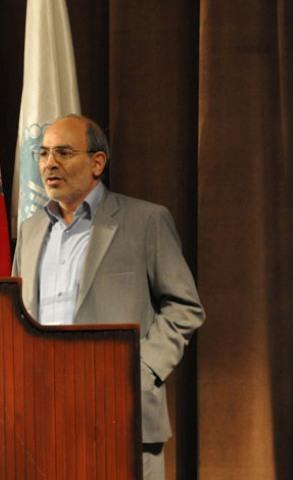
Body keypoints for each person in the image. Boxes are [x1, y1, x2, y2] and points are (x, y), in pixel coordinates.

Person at [12, 114, 205, 480]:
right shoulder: (31, 230)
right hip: (43, 413)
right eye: (44, 153)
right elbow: (17, 314)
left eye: (63, 153)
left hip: (121, 407)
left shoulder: (146, 221)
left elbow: (184, 307)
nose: (49, 163)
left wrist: (142, 368)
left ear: (97, 162)